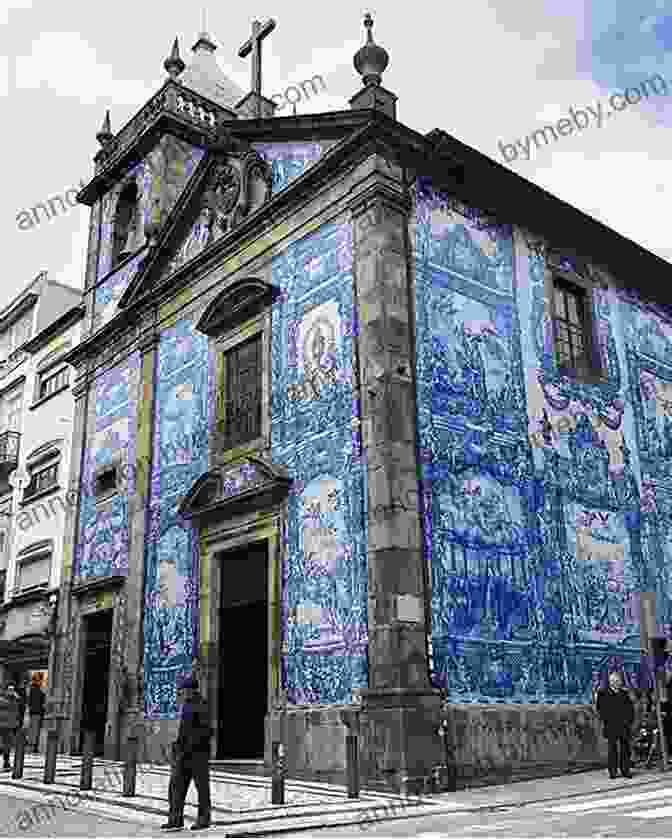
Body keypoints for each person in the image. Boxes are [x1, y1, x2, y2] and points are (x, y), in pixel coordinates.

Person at [161, 675, 212, 831]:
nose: (181, 693)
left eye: (183, 690)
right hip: (183, 754)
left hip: (197, 754)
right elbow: (184, 731)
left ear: (191, 690)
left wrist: (191, 746)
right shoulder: (187, 705)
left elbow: (207, 730)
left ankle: (204, 819)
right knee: (176, 787)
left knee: (201, 788)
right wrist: (178, 746)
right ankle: (175, 819)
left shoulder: (202, 705)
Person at [596, 671, 635, 779]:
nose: (616, 683)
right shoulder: (603, 693)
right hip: (611, 725)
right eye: (614, 681)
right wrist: (607, 720)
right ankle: (613, 771)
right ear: (610, 682)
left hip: (624, 725)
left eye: (618, 681)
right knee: (612, 749)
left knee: (625, 749)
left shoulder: (624, 693)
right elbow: (600, 709)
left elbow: (630, 709)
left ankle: (625, 770)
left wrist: (629, 721)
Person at [0, 683, 20, 771]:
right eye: (10, 689)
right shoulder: (2, 700)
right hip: (2, 725)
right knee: (4, 744)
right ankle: (6, 761)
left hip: (9, 726)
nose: (11, 691)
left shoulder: (15, 700)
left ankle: (6, 762)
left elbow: (16, 712)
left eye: (12, 689)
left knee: (7, 745)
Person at [28, 674, 45, 754]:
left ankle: (33, 746)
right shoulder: (36, 690)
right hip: (36, 712)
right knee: (34, 730)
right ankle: (33, 747)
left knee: (34, 730)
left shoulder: (33, 689)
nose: (41, 682)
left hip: (35, 712)